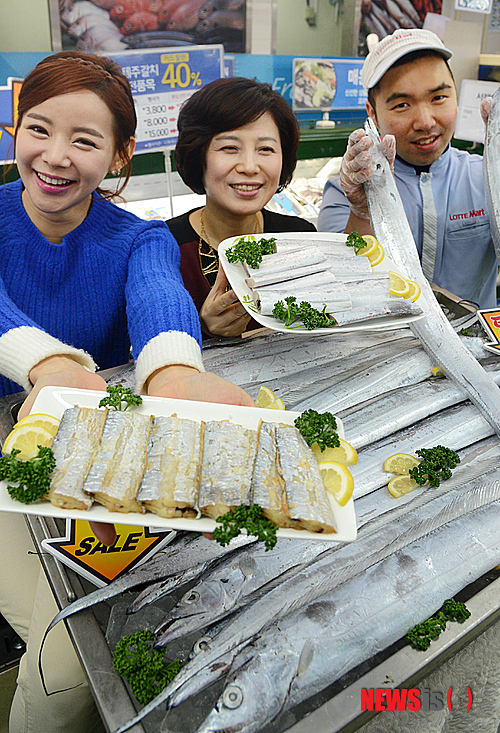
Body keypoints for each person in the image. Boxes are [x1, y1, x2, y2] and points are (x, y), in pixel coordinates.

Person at [0, 50, 253, 733]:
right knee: (66, 667)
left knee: (137, 625)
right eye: (38, 129)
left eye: (85, 140)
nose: (55, 157)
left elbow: (157, 295)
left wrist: (173, 370)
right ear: (14, 130)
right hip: (8, 449)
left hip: (107, 453)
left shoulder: (138, 238)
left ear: (120, 153)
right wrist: (44, 362)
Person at [317, 28, 498, 309]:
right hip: (383, 350)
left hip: (477, 349)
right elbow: (335, 288)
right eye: (402, 104)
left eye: (438, 98)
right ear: (372, 113)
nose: (425, 121)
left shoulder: (486, 178)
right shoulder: (346, 191)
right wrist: (363, 214)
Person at [167, 77, 316, 339]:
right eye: (229, 148)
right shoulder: (163, 248)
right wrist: (202, 330)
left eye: (266, 149)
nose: (249, 166)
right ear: (198, 155)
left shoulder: (300, 238)